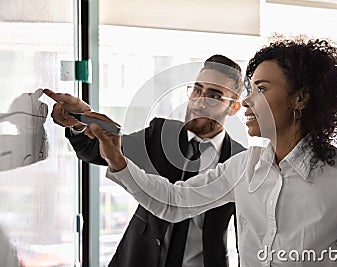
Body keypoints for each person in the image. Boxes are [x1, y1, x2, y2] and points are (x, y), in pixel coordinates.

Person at [81, 35, 337, 266]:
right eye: (249, 90)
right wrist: (117, 158)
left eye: (261, 89)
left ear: (300, 98)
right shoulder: (242, 167)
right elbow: (174, 202)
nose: (247, 102)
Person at [45, 55, 245, 267]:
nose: (199, 101)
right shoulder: (161, 134)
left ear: (233, 107)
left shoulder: (241, 161)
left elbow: (249, 234)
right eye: (197, 89)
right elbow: (97, 150)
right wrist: (80, 119)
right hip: (138, 257)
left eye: (214, 96)